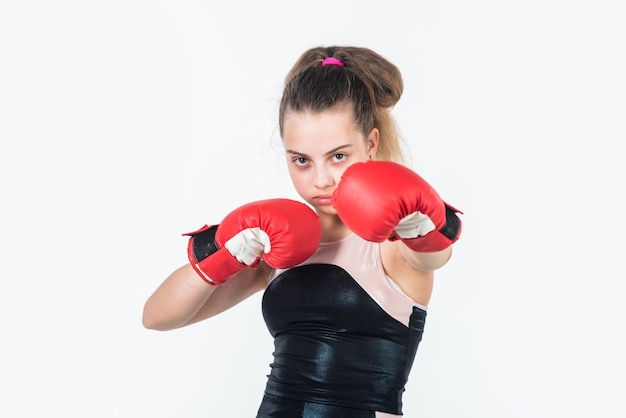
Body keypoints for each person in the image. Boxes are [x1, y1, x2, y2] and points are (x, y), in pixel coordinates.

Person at [142, 45, 462, 418]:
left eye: (338, 156)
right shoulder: (278, 245)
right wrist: (222, 253)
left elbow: (434, 255)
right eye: (302, 161)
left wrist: (418, 224)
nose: (321, 180)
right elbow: (157, 317)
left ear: (370, 144)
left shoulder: (392, 244)